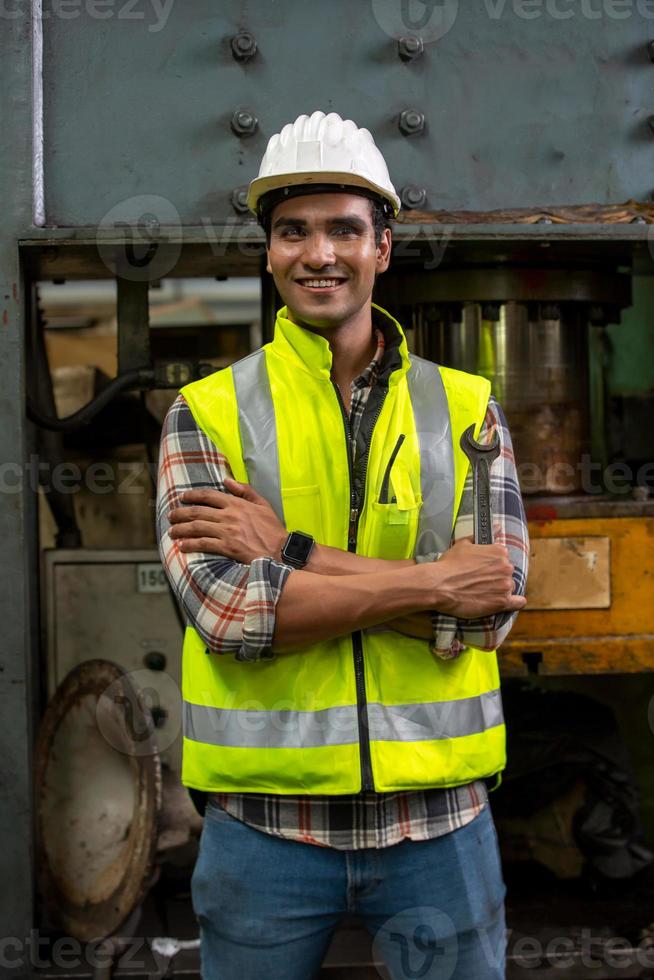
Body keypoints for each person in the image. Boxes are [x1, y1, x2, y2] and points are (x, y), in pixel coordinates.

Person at [156, 110, 529, 980]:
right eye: (294, 231)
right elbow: (233, 619)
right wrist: (437, 583)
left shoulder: (466, 408)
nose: (319, 253)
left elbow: (486, 616)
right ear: (268, 252)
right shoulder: (205, 411)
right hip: (264, 835)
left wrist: (293, 554)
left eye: (343, 229)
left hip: (439, 828)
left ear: (383, 248)